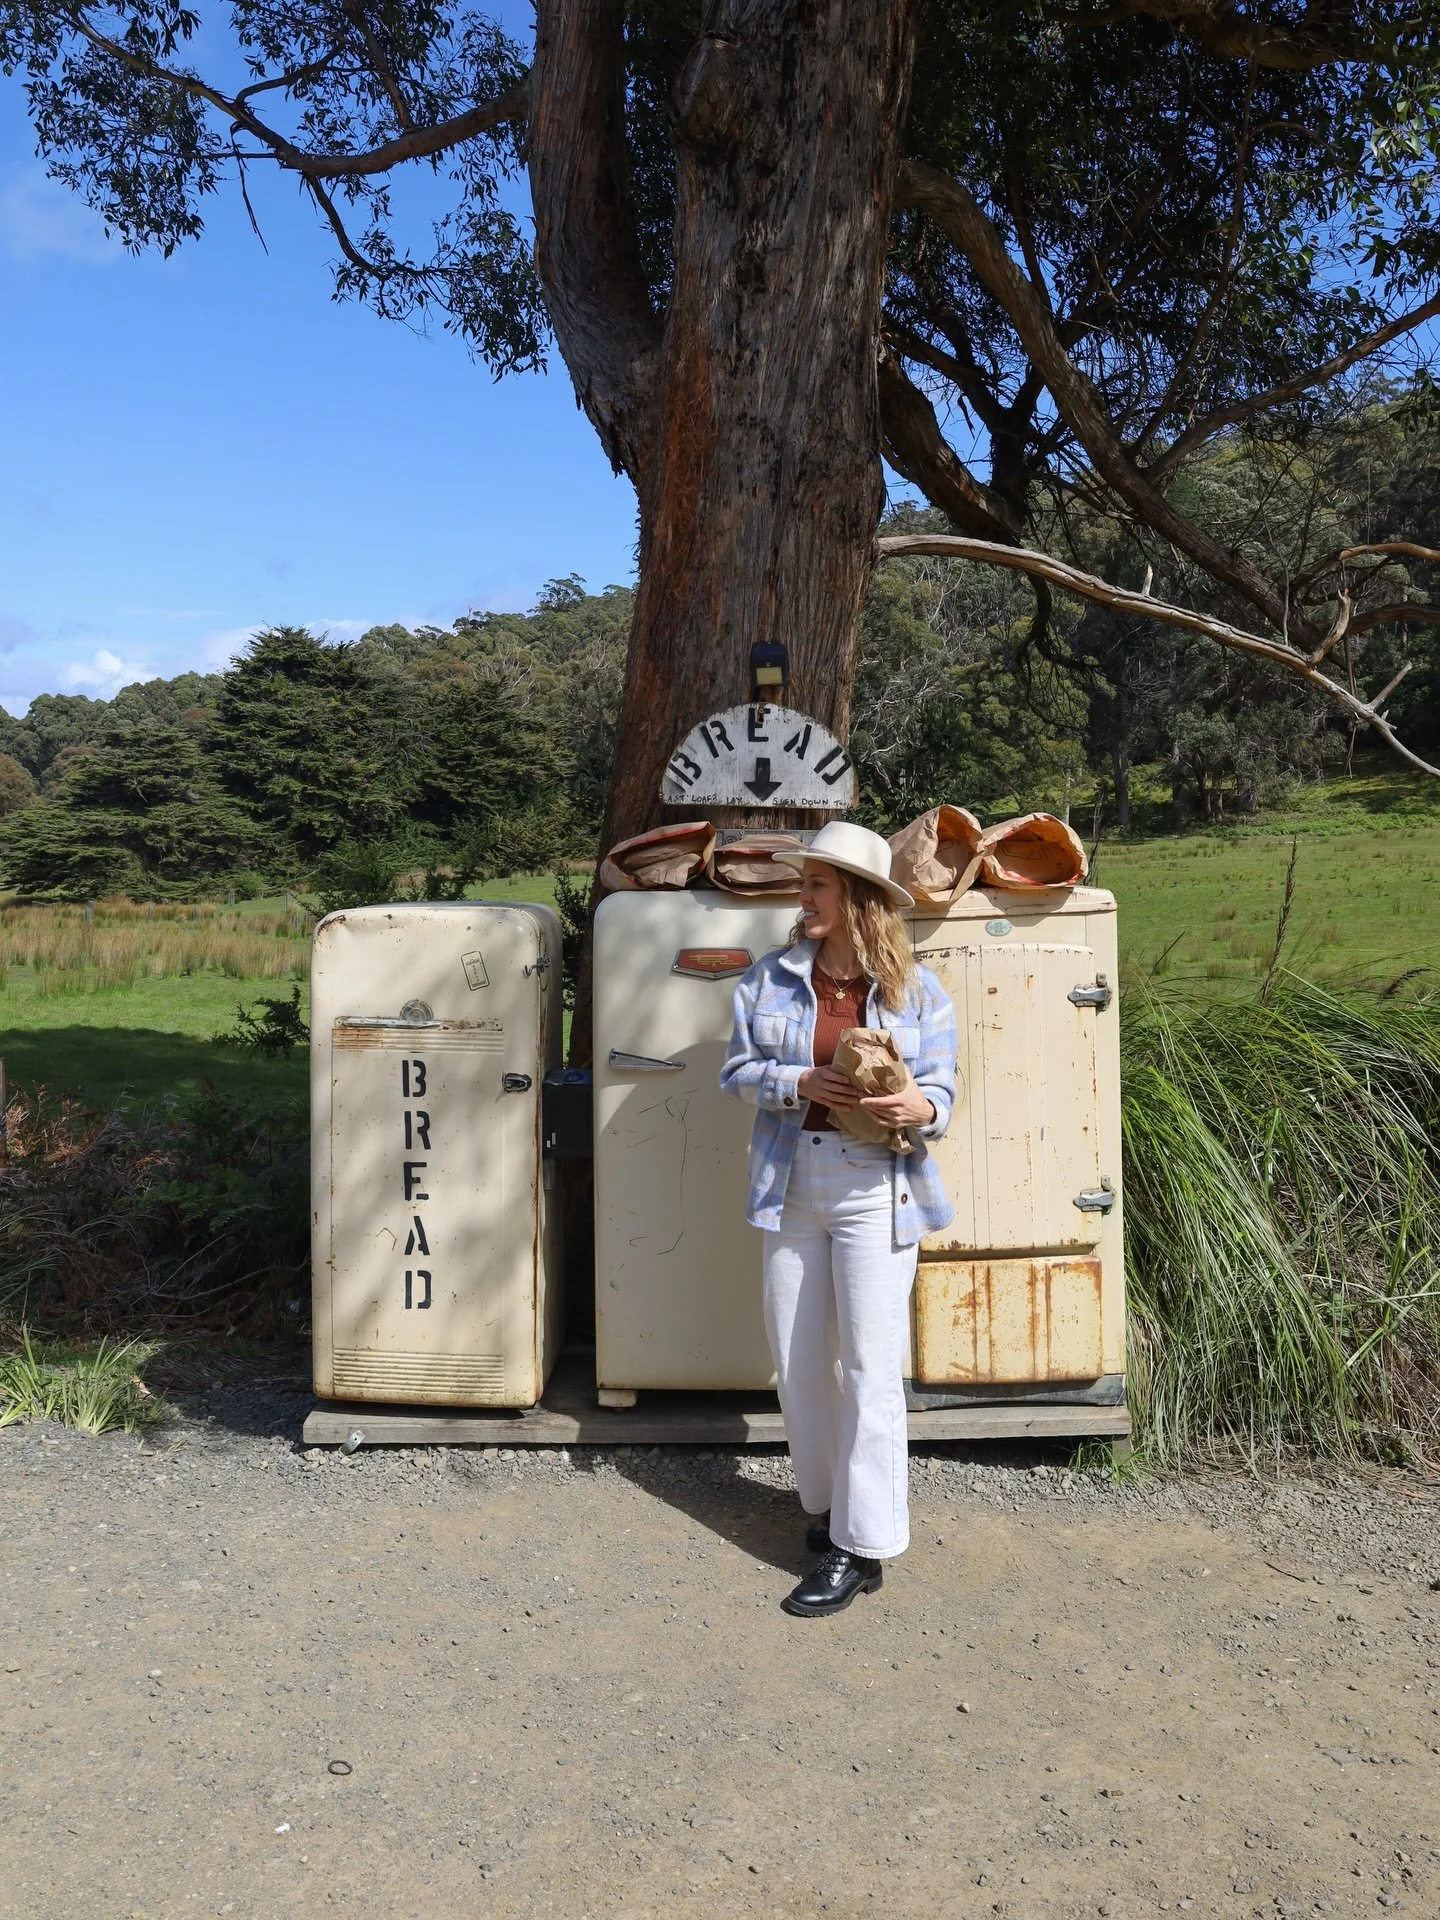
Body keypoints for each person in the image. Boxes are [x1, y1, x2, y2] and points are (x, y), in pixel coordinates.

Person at [720, 820, 957, 1618]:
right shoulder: (770, 978)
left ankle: (863, 1546)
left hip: (876, 1187)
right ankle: (827, 1509)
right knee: (797, 1360)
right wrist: (799, 1081)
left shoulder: (917, 992)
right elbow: (738, 1071)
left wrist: (919, 1103)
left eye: (818, 884)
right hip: (790, 1183)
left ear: (858, 901)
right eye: (805, 883)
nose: (803, 895)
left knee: (867, 1366)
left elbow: (943, 1092)